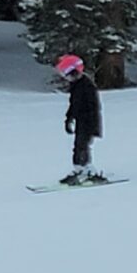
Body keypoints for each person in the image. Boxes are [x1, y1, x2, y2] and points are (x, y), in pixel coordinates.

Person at [57, 54, 103, 184]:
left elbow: (93, 107)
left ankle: (89, 171)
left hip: (88, 121)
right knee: (78, 146)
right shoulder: (76, 86)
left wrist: (90, 124)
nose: (67, 78)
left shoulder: (86, 85)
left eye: (68, 74)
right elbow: (73, 105)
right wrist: (69, 119)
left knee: (83, 145)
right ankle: (78, 169)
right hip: (80, 121)